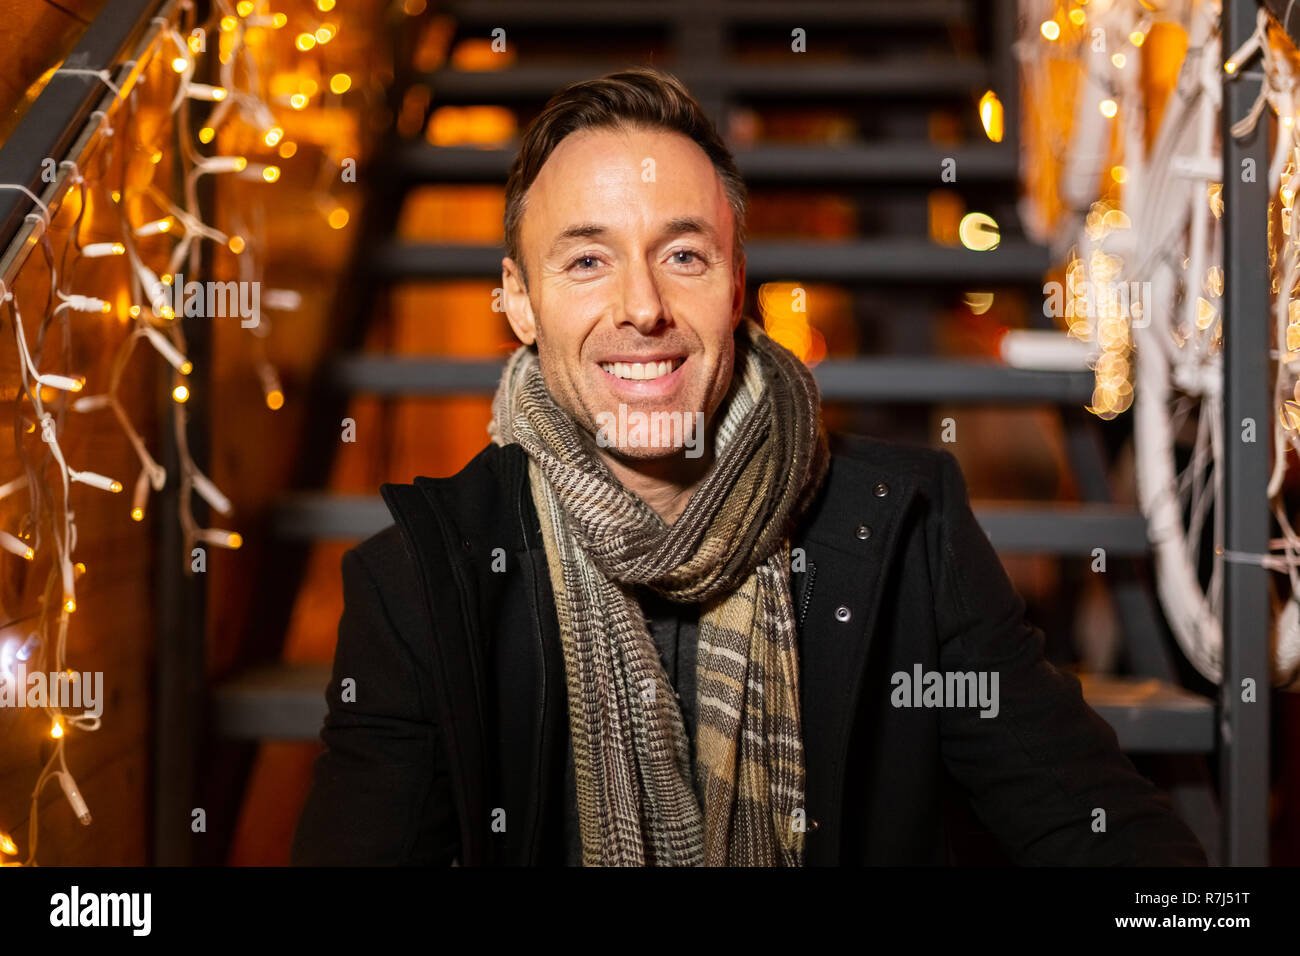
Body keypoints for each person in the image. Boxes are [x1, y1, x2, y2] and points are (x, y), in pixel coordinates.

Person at [291, 67, 1207, 867]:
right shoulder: (425, 574)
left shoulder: (902, 528)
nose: (641, 307)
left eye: (683, 256)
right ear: (520, 303)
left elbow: (1087, 825)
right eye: (585, 262)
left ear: (735, 287)